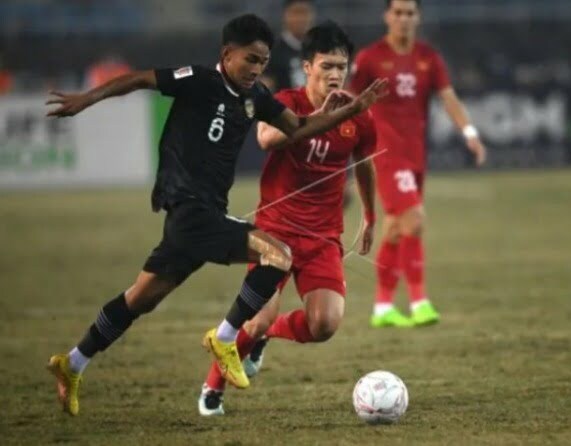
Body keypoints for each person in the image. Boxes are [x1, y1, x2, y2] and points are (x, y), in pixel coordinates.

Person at [45, 13, 387, 416]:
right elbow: (139, 79)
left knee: (139, 299)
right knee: (278, 254)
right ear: (227, 54)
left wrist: (348, 109)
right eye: (250, 60)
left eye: (263, 62)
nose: (256, 69)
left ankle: (73, 362)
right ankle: (225, 338)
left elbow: (295, 129)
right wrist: (87, 99)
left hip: (199, 219)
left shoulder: (255, 97)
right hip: (189, 209)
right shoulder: (199, 80)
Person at [197, 21, 377, 416]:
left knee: (324, 326)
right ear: (307, 67)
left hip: (323, 237)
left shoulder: (358, 114)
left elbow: (364, 164)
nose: (335, 75)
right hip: (275, 234)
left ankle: (266, 339)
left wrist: (371, 213)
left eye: (341, 68)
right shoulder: (285, 103)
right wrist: (320, 119)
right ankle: (213, 386)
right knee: (256, 321)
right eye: (326, 66)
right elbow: (265, 139)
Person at [350, 0, 487, 328]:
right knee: (415, 221)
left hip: (415, 155)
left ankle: (382, 308)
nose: (403, 19)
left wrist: (469, 132)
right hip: (385, 153)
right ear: (387, 16)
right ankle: (419, 301)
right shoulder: (369, 58)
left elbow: (449, 97)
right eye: (397, 12)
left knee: (396, 228)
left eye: (410, 13)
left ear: (418, 17)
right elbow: (349, 102)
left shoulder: (428, 58)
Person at [261, 0, 316, 92]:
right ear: (285, 15)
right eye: (296, 13)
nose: (301, 19)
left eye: (305, 12)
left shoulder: (321, 48)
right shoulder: (272, 50)